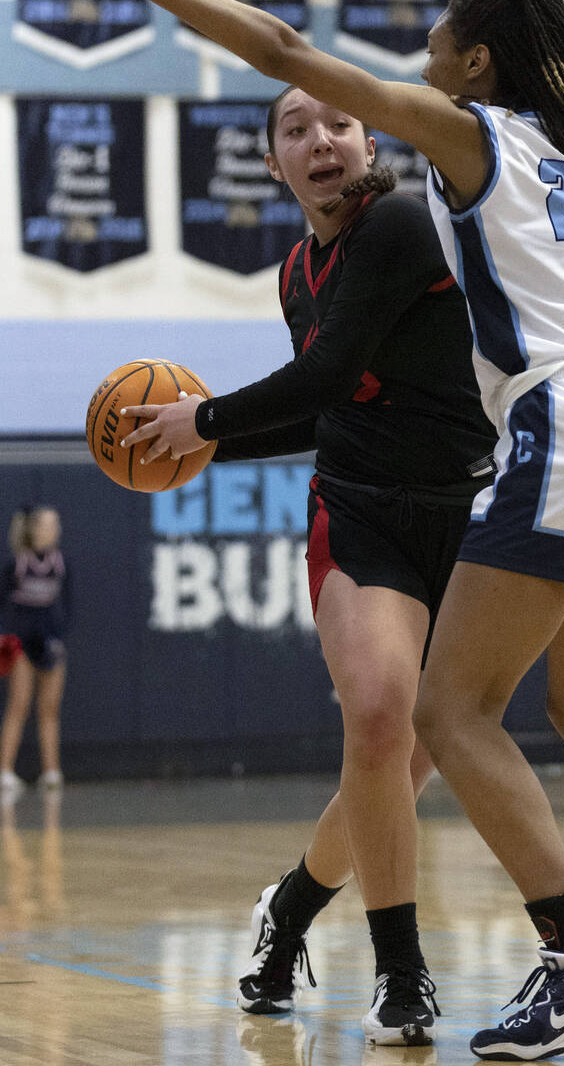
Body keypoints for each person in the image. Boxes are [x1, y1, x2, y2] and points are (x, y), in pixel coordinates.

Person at [53, 0, 564, 1057]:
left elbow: (281, 45)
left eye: (432, 42)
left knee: (448, 710)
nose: (415, 56)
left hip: (559, 421)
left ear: (472, 67)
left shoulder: (461, 142)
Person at [119, 89, 495, 1045]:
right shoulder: (296, 272)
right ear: (274, 161)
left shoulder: (400, 225)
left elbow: (327, 376)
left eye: (337, 123)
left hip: (464, 512)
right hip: (359, 509)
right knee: (376, 720)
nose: (320, 139)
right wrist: (195, 451)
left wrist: (200, 424)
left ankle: (287, 910)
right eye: (296, 129)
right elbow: (330, 411)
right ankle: (402, 975)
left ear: (368, 142)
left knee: (404, 764)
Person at [0, 507, 70, 796]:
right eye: (48, 524)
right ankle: (5, 771)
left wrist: (58, 637)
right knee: (18, 705)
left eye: (56, 523)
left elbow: (68, 605)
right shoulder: (17, 563)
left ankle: (52, 771)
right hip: (21, 644)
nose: (54, 529)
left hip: (49, 641)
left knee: (50, 708)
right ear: (34, 529)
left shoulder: (60, 562)